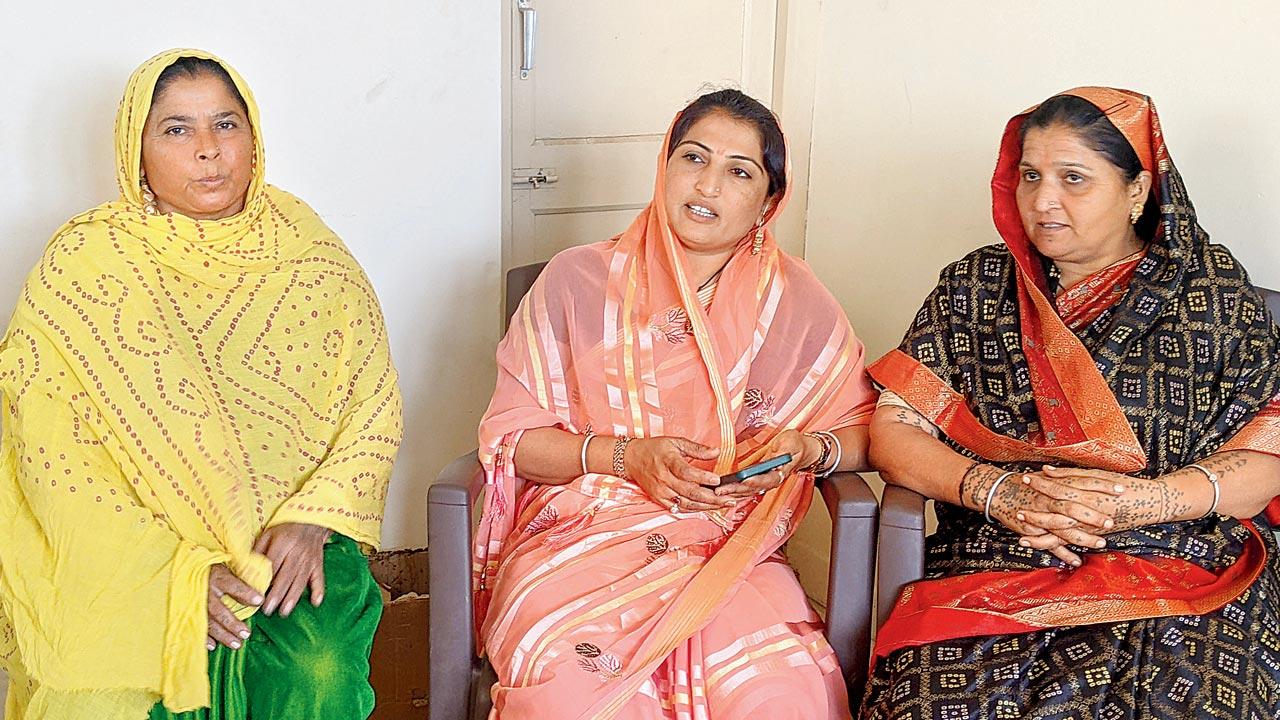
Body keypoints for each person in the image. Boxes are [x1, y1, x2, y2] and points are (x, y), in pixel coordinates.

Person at [0, 49, 401, 719]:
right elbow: (52, 457)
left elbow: (373, 404)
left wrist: (313, 520)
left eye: (226, 123)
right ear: (138, 149)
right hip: (134, 560)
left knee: (315, 667)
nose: (209, 151)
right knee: (101, 692)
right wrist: (176, 578)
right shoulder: (83, 265)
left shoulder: (311, 253)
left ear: (253, 137)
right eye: (177, 129)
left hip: (288, 550)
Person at [862, 87, 1280, 718]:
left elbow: (1264, 463)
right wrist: (999, 492)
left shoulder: (1213, 296)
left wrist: (1141, 503)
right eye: (1030, 176)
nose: (1042, 201)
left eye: (1073, 179)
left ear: (1137, 191)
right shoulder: (975, 288)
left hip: (1176, 563)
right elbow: (893, 433)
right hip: (999, 551)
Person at [473, 88, 877, 719]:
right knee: (579, 693)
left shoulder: (796, 302)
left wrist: (808, 449)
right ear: (665, 166)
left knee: (780, 696)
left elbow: (862, 433)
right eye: (693, 158)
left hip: (724, 542)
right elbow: (514, 441)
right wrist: (626, 457)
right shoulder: (576, 281)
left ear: (769, 201)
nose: (707, 185)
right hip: (581, 535)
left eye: (738, 172)